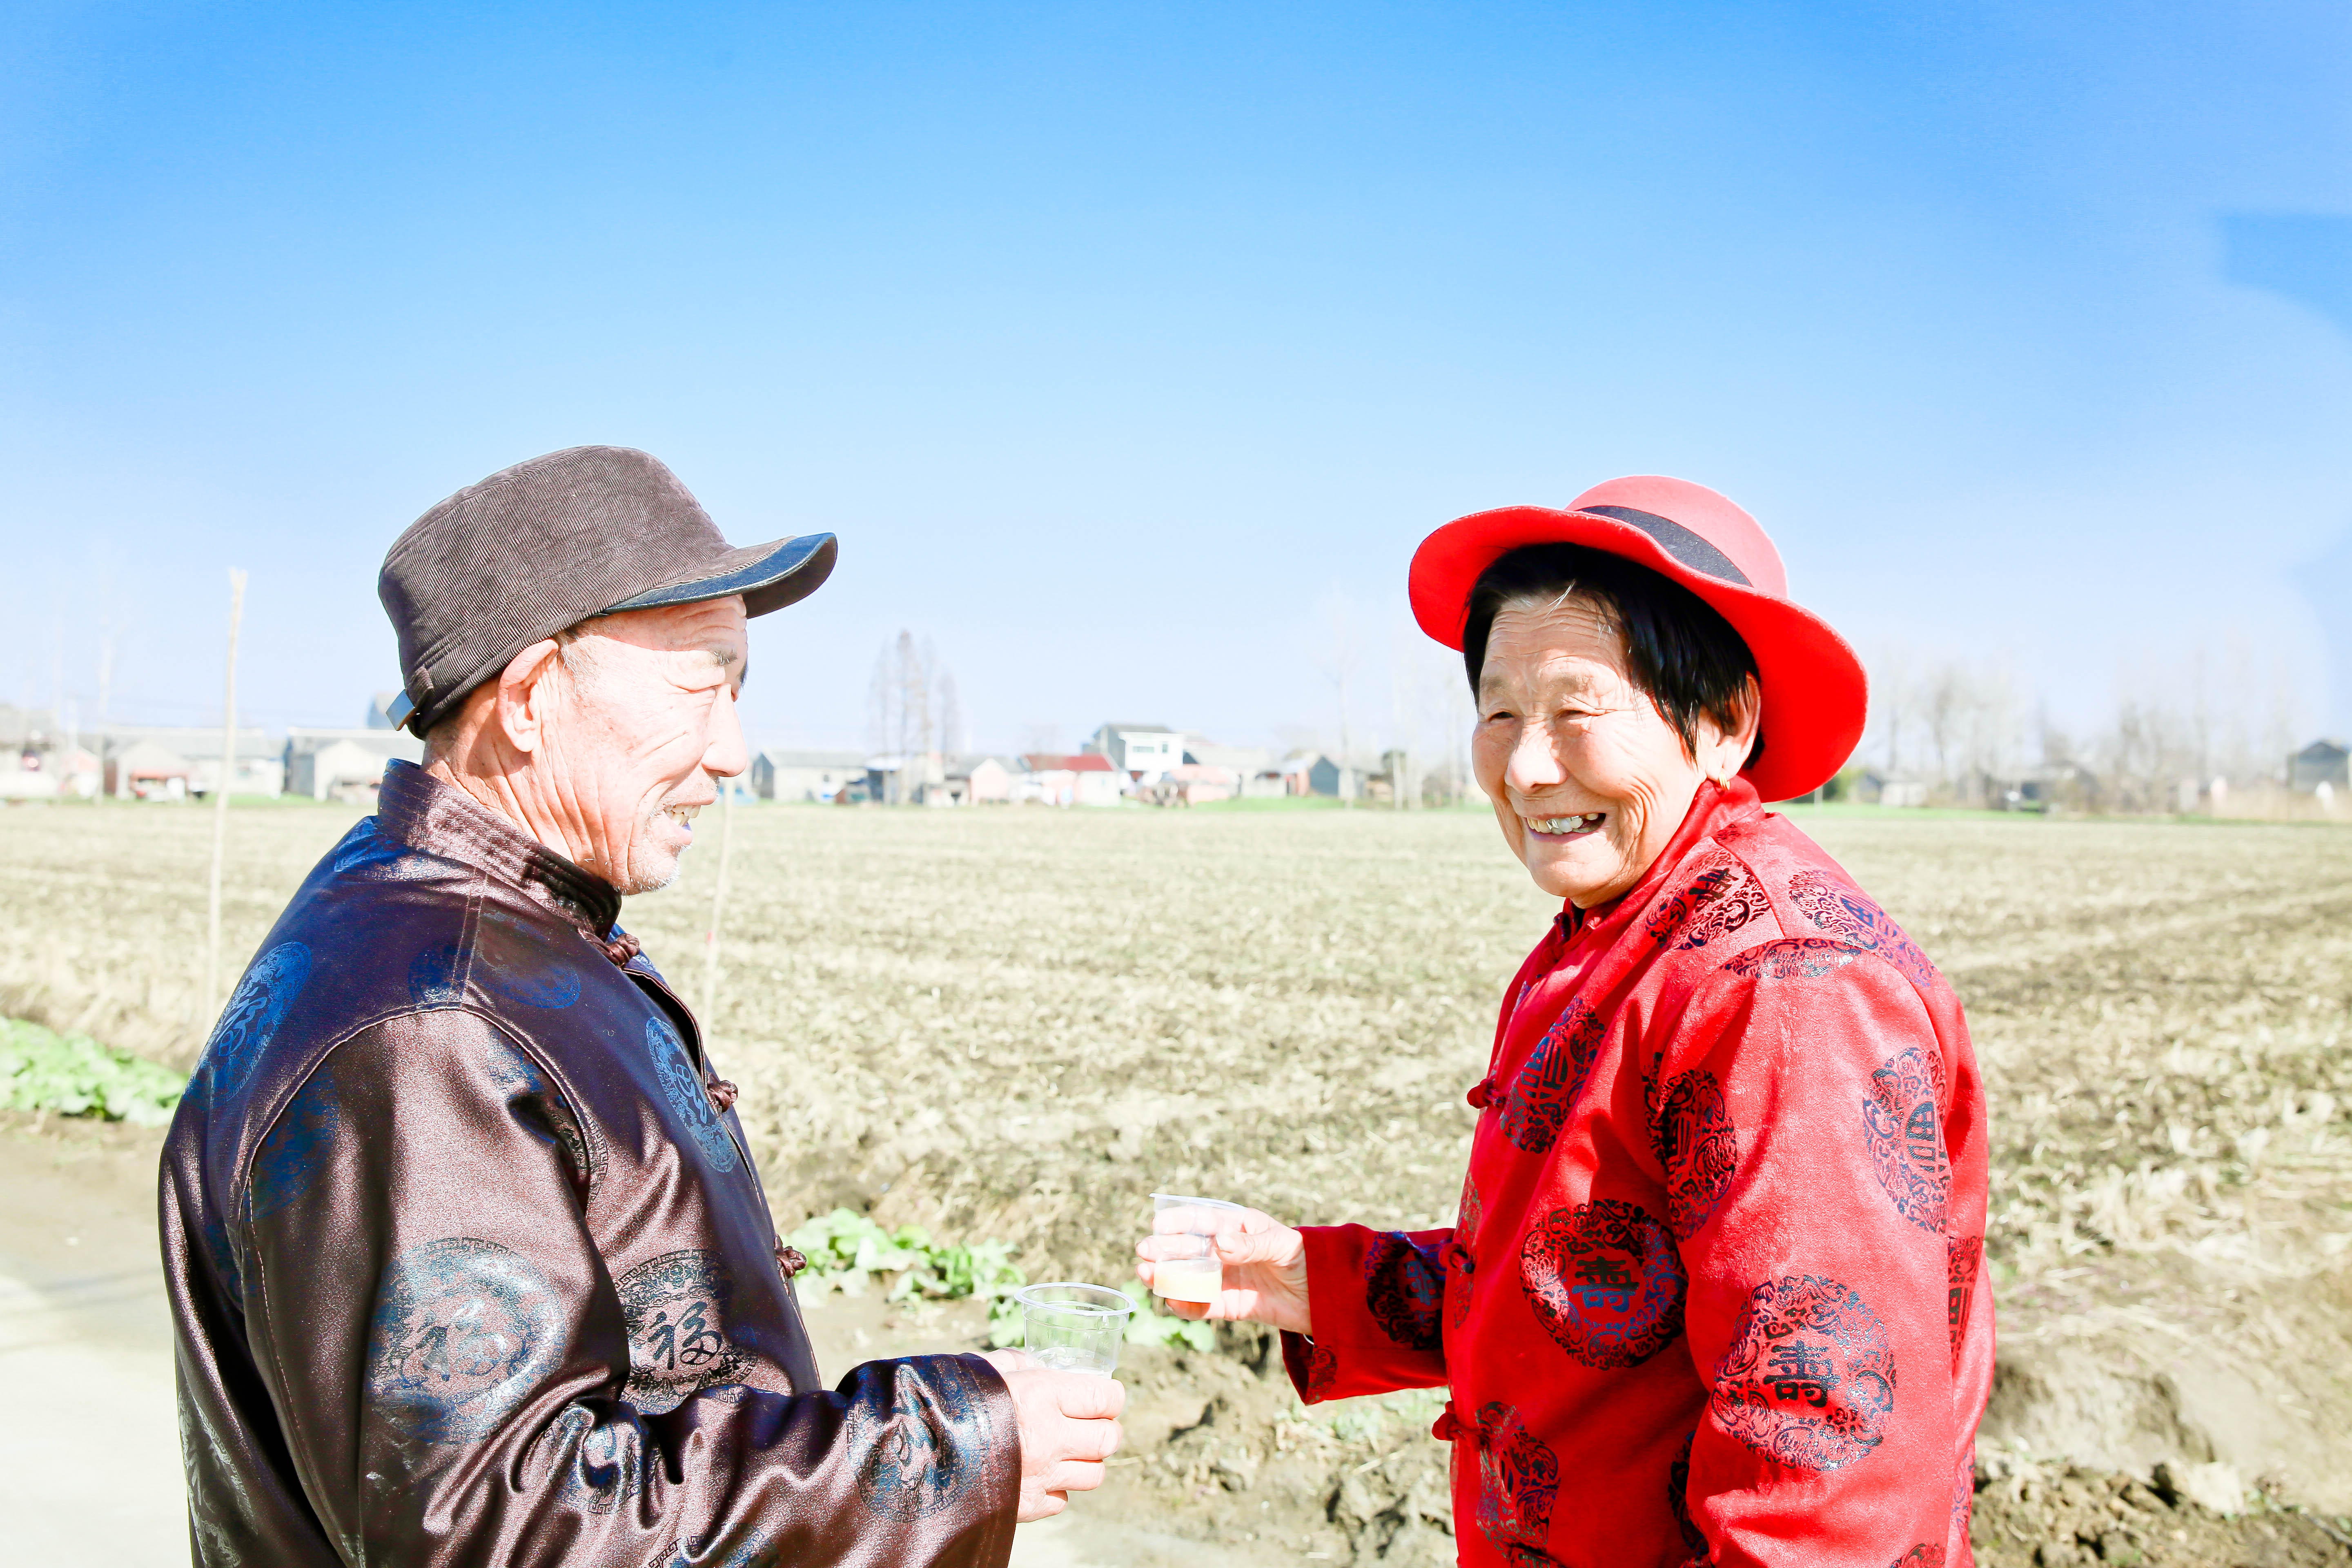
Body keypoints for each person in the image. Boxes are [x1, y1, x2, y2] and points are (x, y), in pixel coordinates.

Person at [161, 446, 1122, 1566]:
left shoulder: (486, 926)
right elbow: (495, 1530)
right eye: (699, 688)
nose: (733, 753)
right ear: (529, 699)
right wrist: (944, 1449)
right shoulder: (431, 1028)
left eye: (740, 692)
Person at [1138, 477, 1992, 1567]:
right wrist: (1308, 1281)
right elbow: (1579, 1284)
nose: (1529, 765)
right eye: (1500, 712)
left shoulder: (1785, 988)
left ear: (1725, 723)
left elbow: (1827, 1470)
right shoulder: (1616, 935)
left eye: (1578, 711)